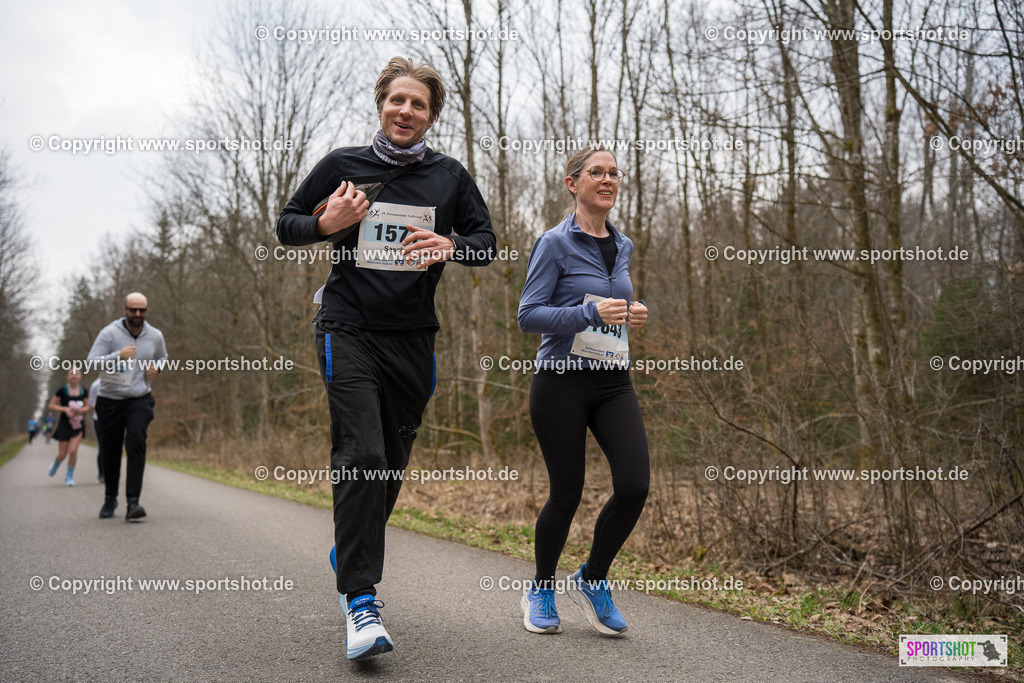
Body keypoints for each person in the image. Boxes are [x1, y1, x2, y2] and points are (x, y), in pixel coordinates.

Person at [277, 56, 495, 660]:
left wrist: (451, 244)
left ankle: (352, 543)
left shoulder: (450, 177)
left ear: (431, 116)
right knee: (363, 453)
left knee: (388, 467)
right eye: (397, 100)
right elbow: (285, 224)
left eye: (419, 104)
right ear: (381, 105)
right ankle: (361, 601)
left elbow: (487, 244)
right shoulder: (344, 165)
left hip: (413, 339)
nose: (406, 111)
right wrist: (326, 223)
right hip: (346, 327)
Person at [517, 145, 649, 636]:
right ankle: (542, 588)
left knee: (635, 485)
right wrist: (589, 313)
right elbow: (528, 315)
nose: (608, 179)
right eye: (597, 172)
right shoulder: (553, 243)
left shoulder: (625, 244)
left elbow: (612, 306)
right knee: (567, 493)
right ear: (573, 183)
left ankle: (593, 577)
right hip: (560, 382)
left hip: (613, 380)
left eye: (614, 173)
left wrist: (630, 315)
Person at [86, 293, 167, 521]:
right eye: (133, 310)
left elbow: (163, 357)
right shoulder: (109, 333)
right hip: (110, 400)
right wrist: (117, 356)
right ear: (125, 310)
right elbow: (90, 362)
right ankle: (110, 498)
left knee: (136, 442)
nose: (138, 315)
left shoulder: (155, 335)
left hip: (139, 398)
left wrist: (157, 369)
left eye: (142, 310)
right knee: (110, 451)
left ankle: (134, 502)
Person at [46, 370, 89, 486]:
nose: (74, 375)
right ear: (67, 377)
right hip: (64, 424)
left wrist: (80, 410)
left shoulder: (83, 391)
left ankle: (69, 477)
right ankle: (56, 464)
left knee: (73, 451)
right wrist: (65, 409)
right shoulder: (61, 391)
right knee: (63, 454)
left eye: (76, 373)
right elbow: (52, 406)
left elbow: (87, 407)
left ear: (80, 376)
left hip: (78, 424)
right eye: (71, 373)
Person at [88, 377, 104, 483]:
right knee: (102, 447)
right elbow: (91, 403)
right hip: (98, 420)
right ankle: (101, 474)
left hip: (114, 420)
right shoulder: (96, 385)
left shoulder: (119, 382)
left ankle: (111, 473)